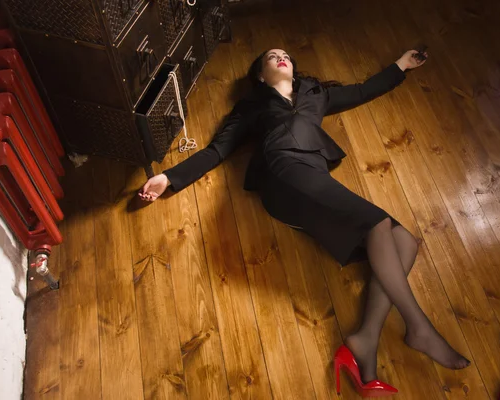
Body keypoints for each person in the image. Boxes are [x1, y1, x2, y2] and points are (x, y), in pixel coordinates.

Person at [139, 48, 470, 395]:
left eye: (285, 55)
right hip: (282, 172)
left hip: (312, 176)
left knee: (406, 242)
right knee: (377, 227)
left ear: (294, 69)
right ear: (260, 75)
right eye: (271, 57)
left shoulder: (317, 93)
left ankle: (365, 342)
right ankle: (419, 328)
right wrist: (169, 178)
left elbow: (361, 91)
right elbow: (217, 150)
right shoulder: (252, 106)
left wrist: (401, 66)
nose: (280, 57)